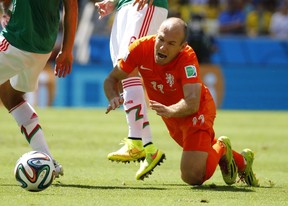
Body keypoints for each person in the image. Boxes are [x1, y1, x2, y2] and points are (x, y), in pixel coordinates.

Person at [103, 17, 259, 186]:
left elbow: (192, 102)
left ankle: (221, 146)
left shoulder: (187, 58)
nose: (162, 46)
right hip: (171, 114)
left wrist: (169, 111)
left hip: (197, 110)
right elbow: (111, 80)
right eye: (161, 39)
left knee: (192, 175)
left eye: (171, 43)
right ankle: (243, 161)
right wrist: (113, 97)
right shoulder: (140, 48)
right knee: (202, 151)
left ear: (182, 46)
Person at [0, 0, 78, 177]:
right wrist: (67, 49)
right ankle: (48, 160)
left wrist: (5, 10)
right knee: (11, 97)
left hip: (18, 40)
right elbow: (71, 6)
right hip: (43, 48)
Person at [95, 0, 168, 176]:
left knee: (130, 66)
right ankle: (149, 149)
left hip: (144, 6)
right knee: (124, 68)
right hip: (125, 7)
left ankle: (135, 141)